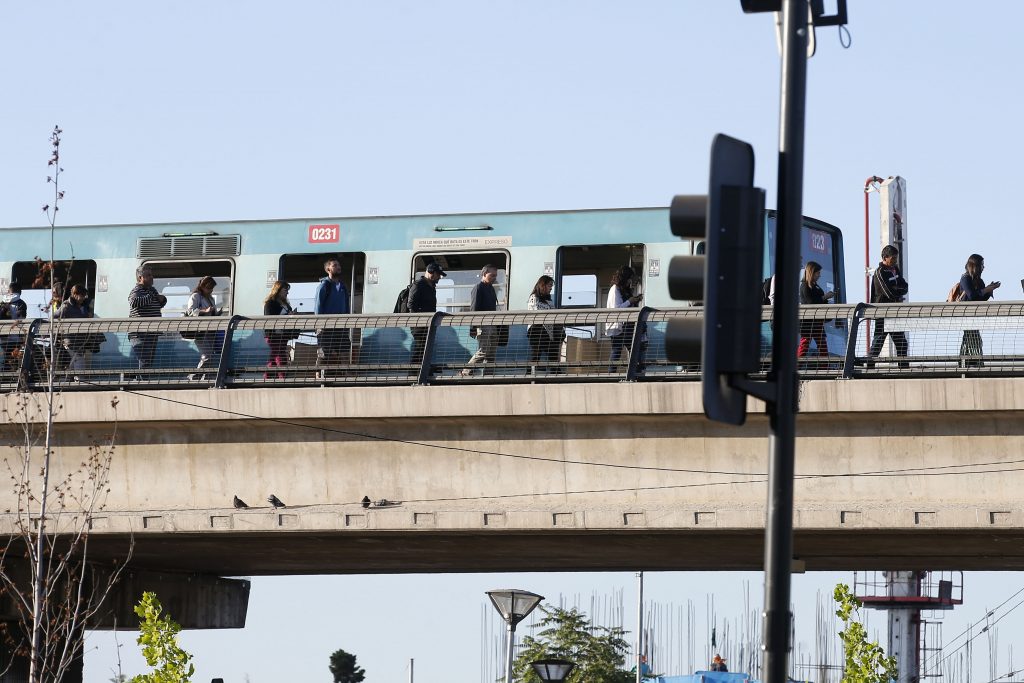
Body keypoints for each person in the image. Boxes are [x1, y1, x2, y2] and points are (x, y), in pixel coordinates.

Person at [869, 245, 910, 367]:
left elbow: (905, 286)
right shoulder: (880, 272)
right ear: (885, 258)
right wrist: (898, 292)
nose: (895, 261)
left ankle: (903, 369)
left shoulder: (895, 269)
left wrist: (897, 290)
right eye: (893, 258)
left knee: (901, 343)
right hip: (882, 313)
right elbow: (888, 293)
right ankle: (869, 367)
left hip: (894, 313)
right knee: (878, 342)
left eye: (896, 258)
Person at [959, 253, 1000, 368]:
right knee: (972, 338)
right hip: (966, 314)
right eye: (982, 265)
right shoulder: (965, 278)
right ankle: (971, 362)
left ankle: (969, 362)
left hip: (975, 316)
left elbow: (980, 299)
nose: (983, 267)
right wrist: (986, 290)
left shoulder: (979, 281)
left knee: (972, 338)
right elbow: (971, 295)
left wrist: (989, 290)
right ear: (975, 266)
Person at [461, 264, 500, 376]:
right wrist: (473, 327)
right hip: (483, 324)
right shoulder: (478, 288)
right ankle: (466, 371)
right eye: (492, 275)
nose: (494, 278)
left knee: (491, 352)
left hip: (492, 324)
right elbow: (474, 308)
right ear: (484, 274)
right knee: (484, 350)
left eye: (495, 275)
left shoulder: (491, 288)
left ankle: (488, 375)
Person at [128, 265, 167, 371]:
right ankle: (142, 380)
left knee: (148, 361)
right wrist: (152, 297)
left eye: (151, 275)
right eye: (148, 275)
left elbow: (157, 304)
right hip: (139, 333)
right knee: (144, 360)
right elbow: (133, 302)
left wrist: (163, 299)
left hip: (152, 332)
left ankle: (142, 379)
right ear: (140, 278)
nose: (151, 277)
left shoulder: (152, 290)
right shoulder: (136, 290)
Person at [314, 257, 351, 367]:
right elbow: (318, 306)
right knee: (323, 354)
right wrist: (320, 325)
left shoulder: (343, 286)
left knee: (345, 352)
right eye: (334, 265)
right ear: (328, 269)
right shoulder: (324, 286)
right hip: (326, 327)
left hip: (341, 326)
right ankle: (318, 374)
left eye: (339, 265)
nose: (338, 267)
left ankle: (346, 373)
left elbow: (347, 306)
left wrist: (347, 322)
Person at [407, 263, 446, 369]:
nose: (439, 277)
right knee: (420, 348)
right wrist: (422, 317)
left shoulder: (431, 286)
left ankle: (423, 370)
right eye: (438, 274)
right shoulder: (418, 285)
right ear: (431, 272)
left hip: (429, 323)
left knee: (425, 348)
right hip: (419, 325)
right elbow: (411, 305)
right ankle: (415, 372)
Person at [605, 266, 643, 371]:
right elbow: (616, 309)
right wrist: (629, 301)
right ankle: (611, 374)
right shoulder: (615, 289)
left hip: (626, 326)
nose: (630, 281)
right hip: (617, 327)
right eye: (629, 278)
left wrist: (635, 300)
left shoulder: (624, 290)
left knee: (634, 349)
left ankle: (636, 372)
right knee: (616, 351)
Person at [184, 276, 221, 379]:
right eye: (209, 288)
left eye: (212, 288)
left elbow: (212, 312)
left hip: (211, 330)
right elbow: (190, 311)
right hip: (200, 331)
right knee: (207, 355)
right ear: (203, 286)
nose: (211, 290)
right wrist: (205, 311)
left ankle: (206, 377)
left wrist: (217, 314)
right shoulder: (196, 296)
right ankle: (194, 376)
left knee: (210, 355)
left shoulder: (211, 298)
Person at [797, 261, 835, 358]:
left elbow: (818, 300)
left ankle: (824, 365)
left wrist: (825, 299)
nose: (819, 275)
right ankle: (796, 365)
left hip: (817, 321)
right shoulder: (805, 285)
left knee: (822, 345)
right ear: (812, 273)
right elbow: (811, 303)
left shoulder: (815, 285)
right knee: (805, 344)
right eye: (818, 273)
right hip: (808, 322)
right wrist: (825, 297)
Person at [526, 275, 562, 370]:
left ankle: (555, 373)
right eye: (549, 285)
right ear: (543, 285)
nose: (551, 288)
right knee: (536, 354)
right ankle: (530, 374)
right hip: (537, 330)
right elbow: (536, 314)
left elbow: (554, 315)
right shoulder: (534, 298)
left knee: (553, 355)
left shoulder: (549, 300)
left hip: (549, 332)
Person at [263, 280, 297, 379]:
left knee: (274, 357)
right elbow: (269, 318)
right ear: (278, 290)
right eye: (285, 290)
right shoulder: (270, 303)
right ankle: (282, 378)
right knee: (279, 355)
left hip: (282, 335)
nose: (287, 292)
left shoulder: (286, 305)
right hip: (273, 335)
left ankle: (268, 378)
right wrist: (287, 316)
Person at [57, 284, 92, 373]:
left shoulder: (83, 306)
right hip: (71, 339)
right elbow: (54, 317)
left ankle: (67, 378)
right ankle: (79, 379)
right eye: (82, 295)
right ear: (75, 294)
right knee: (79, 359)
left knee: (75, 359)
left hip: (81, 339)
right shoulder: (66, 306)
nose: (84, 298)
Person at [1, 282, 28, 371]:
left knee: (5, 360)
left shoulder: (3, 302)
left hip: (3, 337)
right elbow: (22, 318)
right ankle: (15, 375)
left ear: (9, 291)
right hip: (16, 338)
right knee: (15, 360)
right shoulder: (21, 303)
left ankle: (6, 375)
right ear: (20, 292)